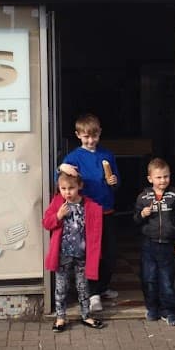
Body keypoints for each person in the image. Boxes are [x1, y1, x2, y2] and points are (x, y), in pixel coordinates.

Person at [58, 113, 120, 313]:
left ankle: (102, 287)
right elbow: (60, 180)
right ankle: (92, 294)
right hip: (87, 212)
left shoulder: (107, 155)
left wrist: (114, 182)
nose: (91, 140)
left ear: (100, 133)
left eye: (94, 136)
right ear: (78, 135)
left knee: (110, 254)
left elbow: (116, 181)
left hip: (108, 210)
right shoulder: (74, 157)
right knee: (93, 255)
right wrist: (60, 167)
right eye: (86, 137)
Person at [43, 171, 104, 331]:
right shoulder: (58, 202)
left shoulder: (88, 205)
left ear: (80, 186)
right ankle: (60, 317)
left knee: (83, 286)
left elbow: (95, 231)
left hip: (82, 255)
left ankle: (86, 315)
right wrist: (58, 215)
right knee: (61, 287)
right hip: (62, 254)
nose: (67, 192)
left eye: (71, 188)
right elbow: (46, 223)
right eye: (63, 188)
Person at [133, 157, 175, 326]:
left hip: (168, 245)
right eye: (159, 177)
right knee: (149, 278)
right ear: (150, 179)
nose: (163, 180)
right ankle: (152, 308)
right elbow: (135, 220)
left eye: (166, 176)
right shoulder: (143, 197)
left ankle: (168, 311)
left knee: (167, 280)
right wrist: (142, 215)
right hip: (149, 244)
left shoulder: (174, 195)